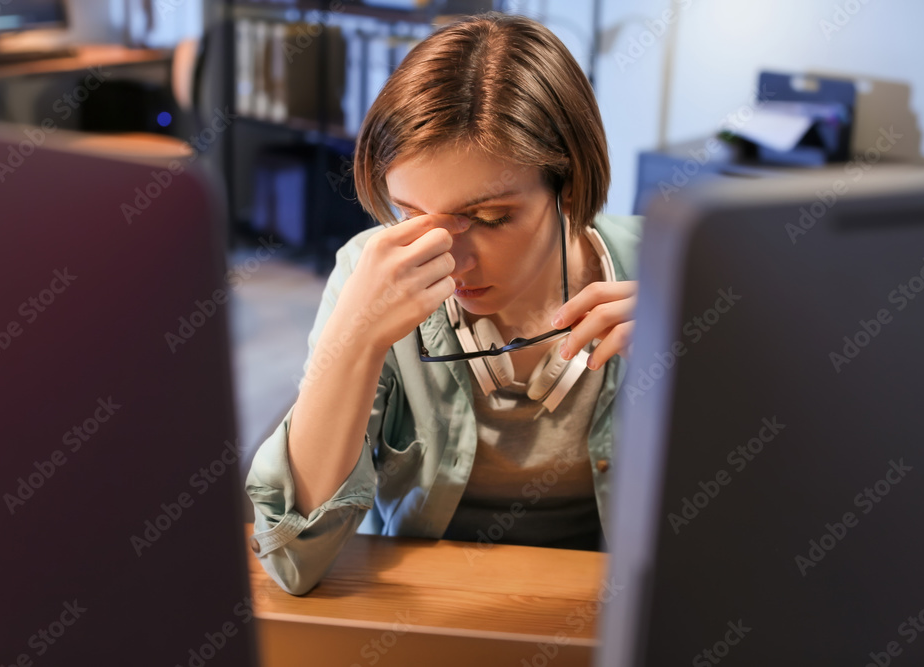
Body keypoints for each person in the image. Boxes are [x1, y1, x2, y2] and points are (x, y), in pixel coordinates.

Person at [246, 12, 643, 596]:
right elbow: (293, 563)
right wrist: (353, 340)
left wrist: (708, 364)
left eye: (490, 219)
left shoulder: (667, 271)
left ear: (570, 184)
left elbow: (752, 533)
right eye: (411, 216)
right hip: (428, 618)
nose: (450, 261)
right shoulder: (371, 273)